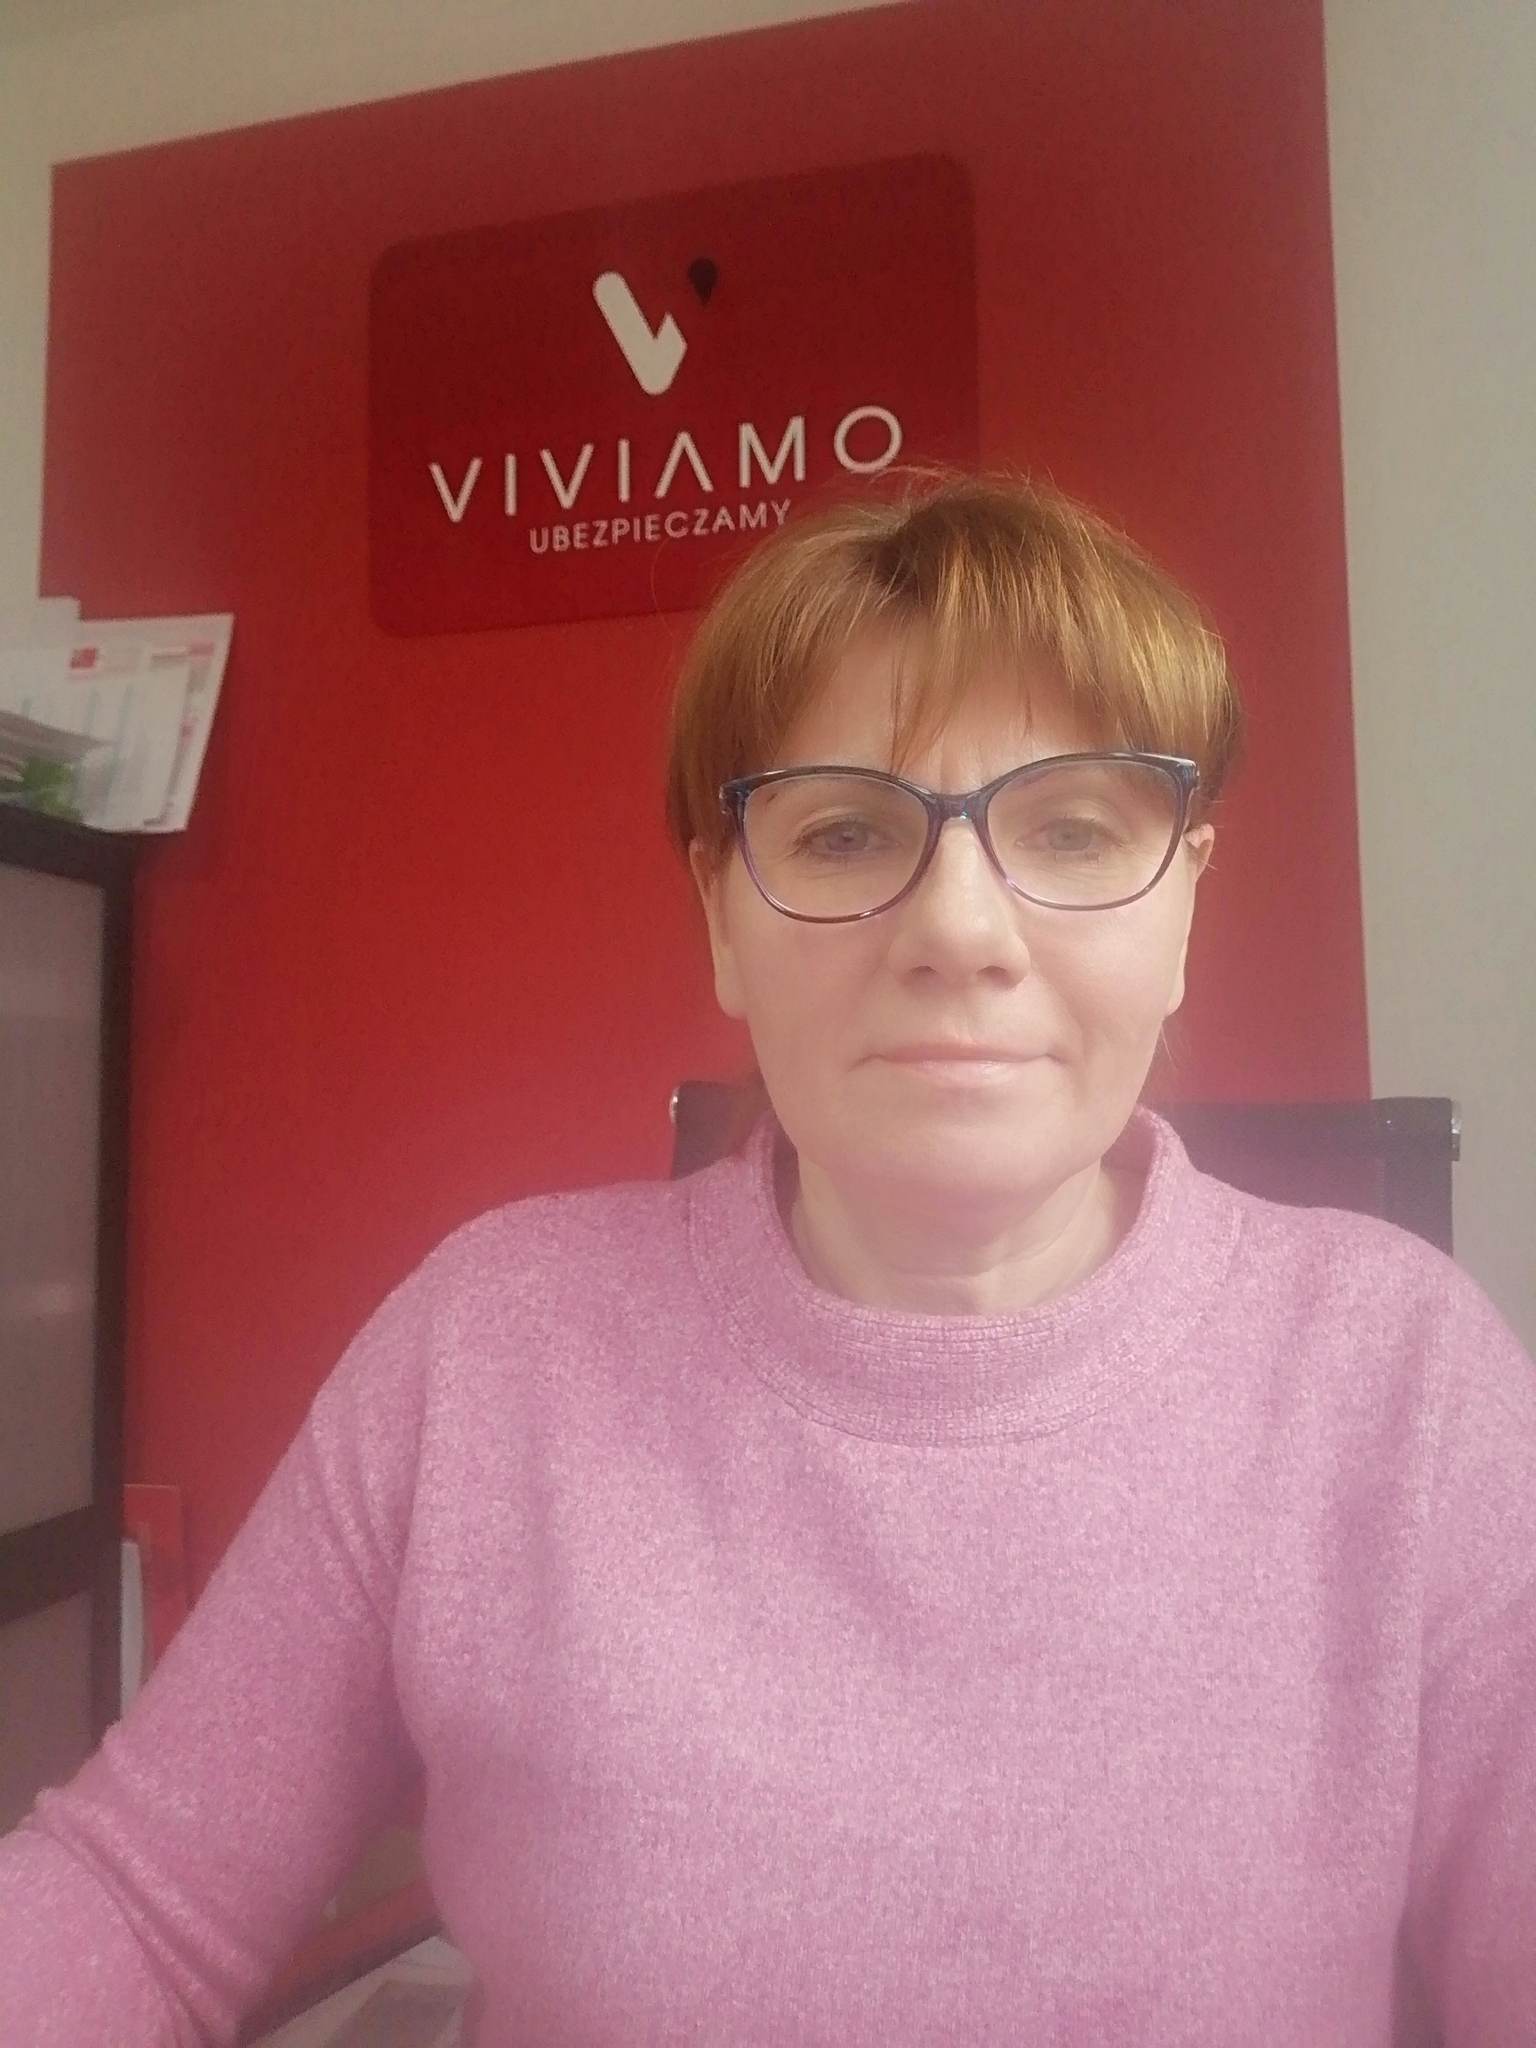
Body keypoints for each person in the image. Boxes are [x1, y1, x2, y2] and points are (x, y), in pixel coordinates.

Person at [2, 470, 1532, 2047]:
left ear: (1185, 909)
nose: (960, 931)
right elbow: (136, 1902)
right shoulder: (488, 1350)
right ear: (723, 916)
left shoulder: (1411, 1387)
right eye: (847, 830)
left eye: (1074, 830)